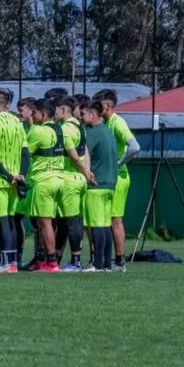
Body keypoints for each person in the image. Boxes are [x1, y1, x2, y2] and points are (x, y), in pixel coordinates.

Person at [0, 88, 29, 274]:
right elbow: (25, 154)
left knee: (1, 222)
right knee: (10, 221)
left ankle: (7, 264)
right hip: (15, 181)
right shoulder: (18, 123)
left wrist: (8, 176)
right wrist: (20, 175)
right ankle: (13, 262)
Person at [93, 89, 140, 272]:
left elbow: (135, 147)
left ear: (107, 106)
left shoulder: (118, 122)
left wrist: (119, 164)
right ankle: (108, 260)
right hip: (109, 177)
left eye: (99, 105)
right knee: (107, 219)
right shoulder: (105, 123)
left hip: (119, 178)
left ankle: (120, 261)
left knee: (115, 220)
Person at [26, 99, 65, 273]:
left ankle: (51, 261)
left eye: (34, 112)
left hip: (44, 181)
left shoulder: (38, 131)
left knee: (45, 223)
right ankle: (43, 260)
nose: (31, 116)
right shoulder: (58, 129)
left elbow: (25, 153)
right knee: (46, 223)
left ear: (44, 113)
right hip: (58, 178)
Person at [54, 95, 89, 272]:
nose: (55, 112)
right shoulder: (79, 126)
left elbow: (74, 157)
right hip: (79, 179)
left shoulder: (66, 129)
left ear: (64, 110)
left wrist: (84, 171)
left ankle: (76, 261)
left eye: (57, 109)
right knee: (64, 221)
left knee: (73, 221)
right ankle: (57, 257)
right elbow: (86, 151)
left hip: (70, 179)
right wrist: (87, 173)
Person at [80, 100, 116, 272]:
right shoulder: (108, 131)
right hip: (110, 184)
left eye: (83, 114)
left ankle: (97, 264)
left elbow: (83, 151)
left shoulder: (91, 132)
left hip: (97, 184)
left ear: (93, 114)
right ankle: (107, 264)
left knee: (96, 225)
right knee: (105, 224)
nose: (81, 117)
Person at [15, 97, 39, 268]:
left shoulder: (37, 131)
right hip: (23, 181)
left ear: (32, 111)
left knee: (38, 222)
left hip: (35, 182)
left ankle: (40, 257)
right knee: (16, 218)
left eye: (21, 110)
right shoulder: (21, 129)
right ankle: (18, 256)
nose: (19, 113)